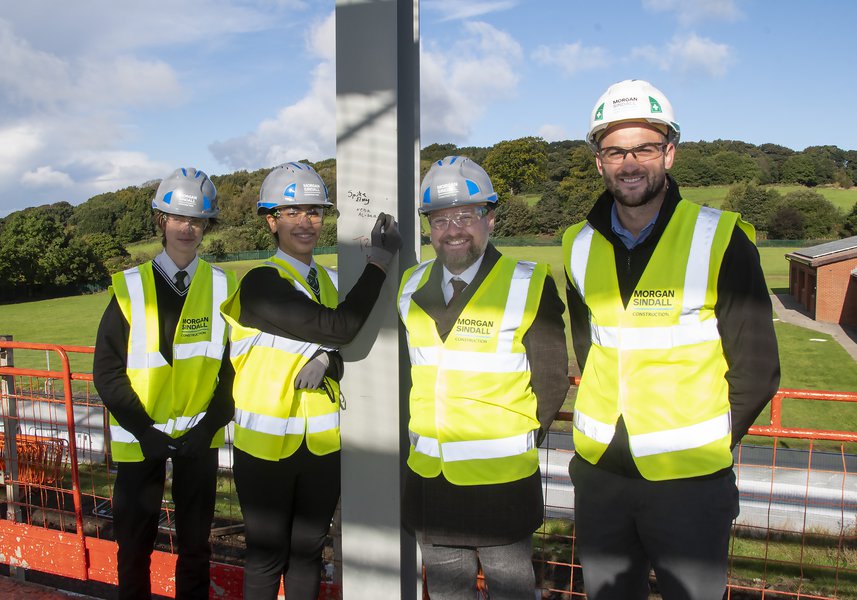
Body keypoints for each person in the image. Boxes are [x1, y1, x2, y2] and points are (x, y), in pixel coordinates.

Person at [562, 79, 781, 600]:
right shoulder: (577, 244)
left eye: (644, 147)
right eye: (615, 150)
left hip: (690, 486)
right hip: (601, 480)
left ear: (670, 153)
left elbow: (757, 370)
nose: (629, 163)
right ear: (599, 161)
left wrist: (703, 444)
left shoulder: (721, 238)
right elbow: (589, 345)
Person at [219, 161, 401, 600]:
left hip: (320, 445)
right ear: (271, 221)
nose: (306, 222)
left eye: (315, 212)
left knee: (307, 554)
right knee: (266, 557)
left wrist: (329, 360)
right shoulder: (262, 283)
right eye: (292, 212)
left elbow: (340, 346)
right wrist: (378, 263)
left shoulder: (332, 282)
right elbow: (338, 329)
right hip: (264, 447)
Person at [398, 156, 569, 599]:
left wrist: (517, 441)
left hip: (503, 488)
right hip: (430, 487)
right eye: (439, 220)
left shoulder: (527, 283)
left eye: (465, 216)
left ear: (490, 218)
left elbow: (550, 381)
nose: (452, 230)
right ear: (428, 228)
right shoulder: (410, 286)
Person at [93, 167, 237, 600]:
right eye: (178, 218)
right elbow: (107, 370)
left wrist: (209, 427)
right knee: (133, 544)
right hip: (142, 441)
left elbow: (231, 371)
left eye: (197, 220)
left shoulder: (221, 286)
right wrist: (144, 430)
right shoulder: (129, 287)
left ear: (207, 226)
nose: (188, 228)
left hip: (199, 441)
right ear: (161, 221)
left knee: (196, 545)